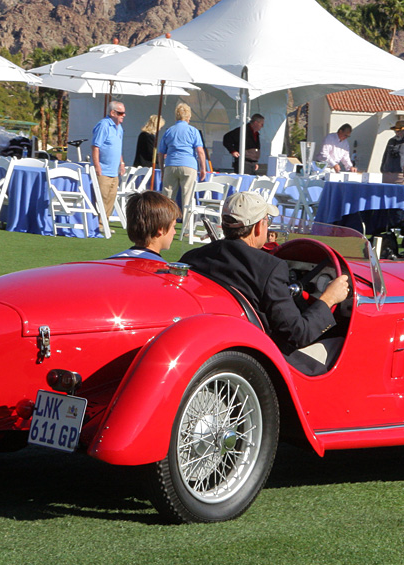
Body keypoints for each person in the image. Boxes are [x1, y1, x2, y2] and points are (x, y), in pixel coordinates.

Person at [180, 191, 350, 375]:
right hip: (263, 358)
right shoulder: (270, 268)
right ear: (259, 227)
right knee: (343, 343)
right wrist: (328, 299)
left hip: (209, 347)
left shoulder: (193, 257)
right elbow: (299, 334)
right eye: (267, 220)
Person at [158, 102, 208, 216]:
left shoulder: (169, 131)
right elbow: (200, 151)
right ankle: (186, 228)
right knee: (187, 196)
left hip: (171, 164)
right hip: (188, 165)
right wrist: (203, 168)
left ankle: (165, 222)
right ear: (188, 117)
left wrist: (162, 170)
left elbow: (161, 153)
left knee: (167, 197)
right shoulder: (193, 131)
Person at [108, 191, 180, 261]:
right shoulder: (163, 270)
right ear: (160, 229)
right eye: (173, 226)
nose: (174, 232)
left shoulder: (110, 262)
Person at [91, 100, 126, 223]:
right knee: (101, 196)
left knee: (111, 198)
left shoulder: (119, 128)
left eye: (124, 113)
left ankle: (104, 222)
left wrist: (121, 163)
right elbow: (95, 147)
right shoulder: (104, 125)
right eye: (121, 113)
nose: (124, 115)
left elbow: (117, 147)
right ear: (113, 113)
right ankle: (98, 223)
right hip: (103, 169)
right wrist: (97, 167)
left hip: (114, 171)